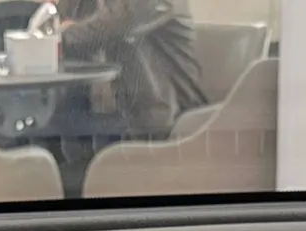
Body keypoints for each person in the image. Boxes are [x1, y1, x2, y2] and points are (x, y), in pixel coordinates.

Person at [55, 0, 205, 140]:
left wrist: (59, 34)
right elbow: (59, 21)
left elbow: (115, 24)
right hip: (102, 119)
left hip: (166, 126)